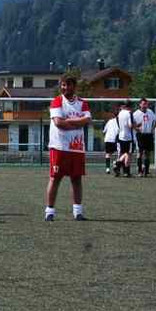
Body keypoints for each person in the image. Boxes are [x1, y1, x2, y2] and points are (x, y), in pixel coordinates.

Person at [44, 75, 91, 221]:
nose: (64, 88)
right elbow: (58, 123)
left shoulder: (82, 103)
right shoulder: (57, 101)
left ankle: (78, 212)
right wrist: (77, 123)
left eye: (68, 85)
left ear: (74, 86)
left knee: (76, 179)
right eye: (63, 85)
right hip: (59, 146)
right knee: (55, 178)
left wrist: (69, 121)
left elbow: (87, 120)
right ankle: (49, 212)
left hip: (76, 147)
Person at [132, 98, 156, 177]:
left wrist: (152, 129)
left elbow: (155, 120)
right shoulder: (136, 113)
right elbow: (132, 123)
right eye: (143, 104)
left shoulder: (150, 112)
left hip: (149, 135)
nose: (144, 105)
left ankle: (146, 171)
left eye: (146, 104)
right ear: (140, 104)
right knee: (140, 153)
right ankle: (140, 171)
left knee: (147, 153)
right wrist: (136, 128)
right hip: (140, 135)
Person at [113, 101, 135, 177]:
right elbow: (130, 125)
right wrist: (137, 126)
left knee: (124, 153)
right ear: (130, 107)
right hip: (128, 137)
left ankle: (121, 167)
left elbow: (119, 124)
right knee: (128, 154)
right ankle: (124, 170)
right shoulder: (129, 113)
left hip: (121, 136)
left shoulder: (120, 113)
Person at [102, 105, 119, 174]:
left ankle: (107, 168)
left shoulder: (109, 121)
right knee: (120, 153)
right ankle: (116, 163)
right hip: (115, 139)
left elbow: (104, 131)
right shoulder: (119, 122)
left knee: (108, 154)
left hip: (108, 139)